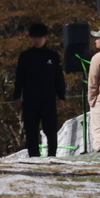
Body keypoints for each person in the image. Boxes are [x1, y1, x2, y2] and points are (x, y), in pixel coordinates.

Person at [11, 23, 66, 158]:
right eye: (33, 37)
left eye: (39, 37)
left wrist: (61, 97)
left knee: (51, 130)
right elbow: (19, 78)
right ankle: (34, 157)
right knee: (31, 131)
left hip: (48, 100)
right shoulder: (25, 56)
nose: (36, 40)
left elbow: (58, 78)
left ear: (46, 37)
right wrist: (17, 97)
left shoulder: (53, 56)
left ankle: (52, 156)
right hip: (30, 100)